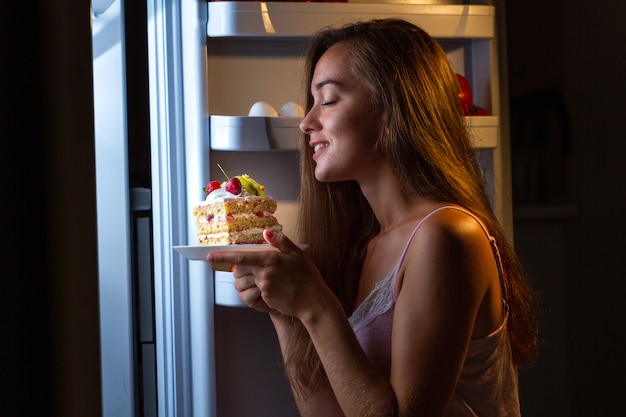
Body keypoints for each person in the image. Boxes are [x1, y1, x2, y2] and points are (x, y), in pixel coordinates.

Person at [207, 18, 538, 417]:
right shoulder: (369, 245)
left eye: (327, 100)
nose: (307, 123)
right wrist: (286, 313)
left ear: (391, 108)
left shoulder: (448, 235)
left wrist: (315, 305)